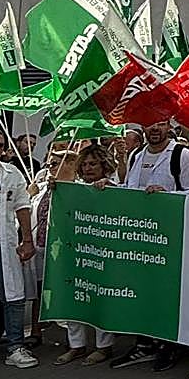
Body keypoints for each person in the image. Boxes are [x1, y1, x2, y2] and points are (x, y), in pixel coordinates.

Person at [105, 120, 189, 372]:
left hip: (171, 237)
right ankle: (144, 344)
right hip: (140, 237)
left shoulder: (182, 155)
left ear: (168, 126)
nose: (154, 129)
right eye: (150, 125)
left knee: (166, 292)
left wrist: (167, 196)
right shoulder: (137, 154)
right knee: (142, 290)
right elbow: (131, 191)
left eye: (159, 124)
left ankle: (170, 345)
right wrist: (110, 188)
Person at [54, 144, 117, 366]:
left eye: (94, 163)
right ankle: (76, 346)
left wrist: (109, 189)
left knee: (100, 296)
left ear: (104, 165)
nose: (89, 168)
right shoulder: (74, 188)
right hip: (77, 251)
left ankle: (103, 346)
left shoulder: (114, 188)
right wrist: (57, 188)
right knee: (75, 296)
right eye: (86, 164)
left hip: (102, 253)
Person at [0, 130, 38, 368]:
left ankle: (15, 347)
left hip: (3, 243)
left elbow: (22, 206)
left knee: (13, 295)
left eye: (0, 145)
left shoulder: (12, 173)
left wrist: (27, 241)